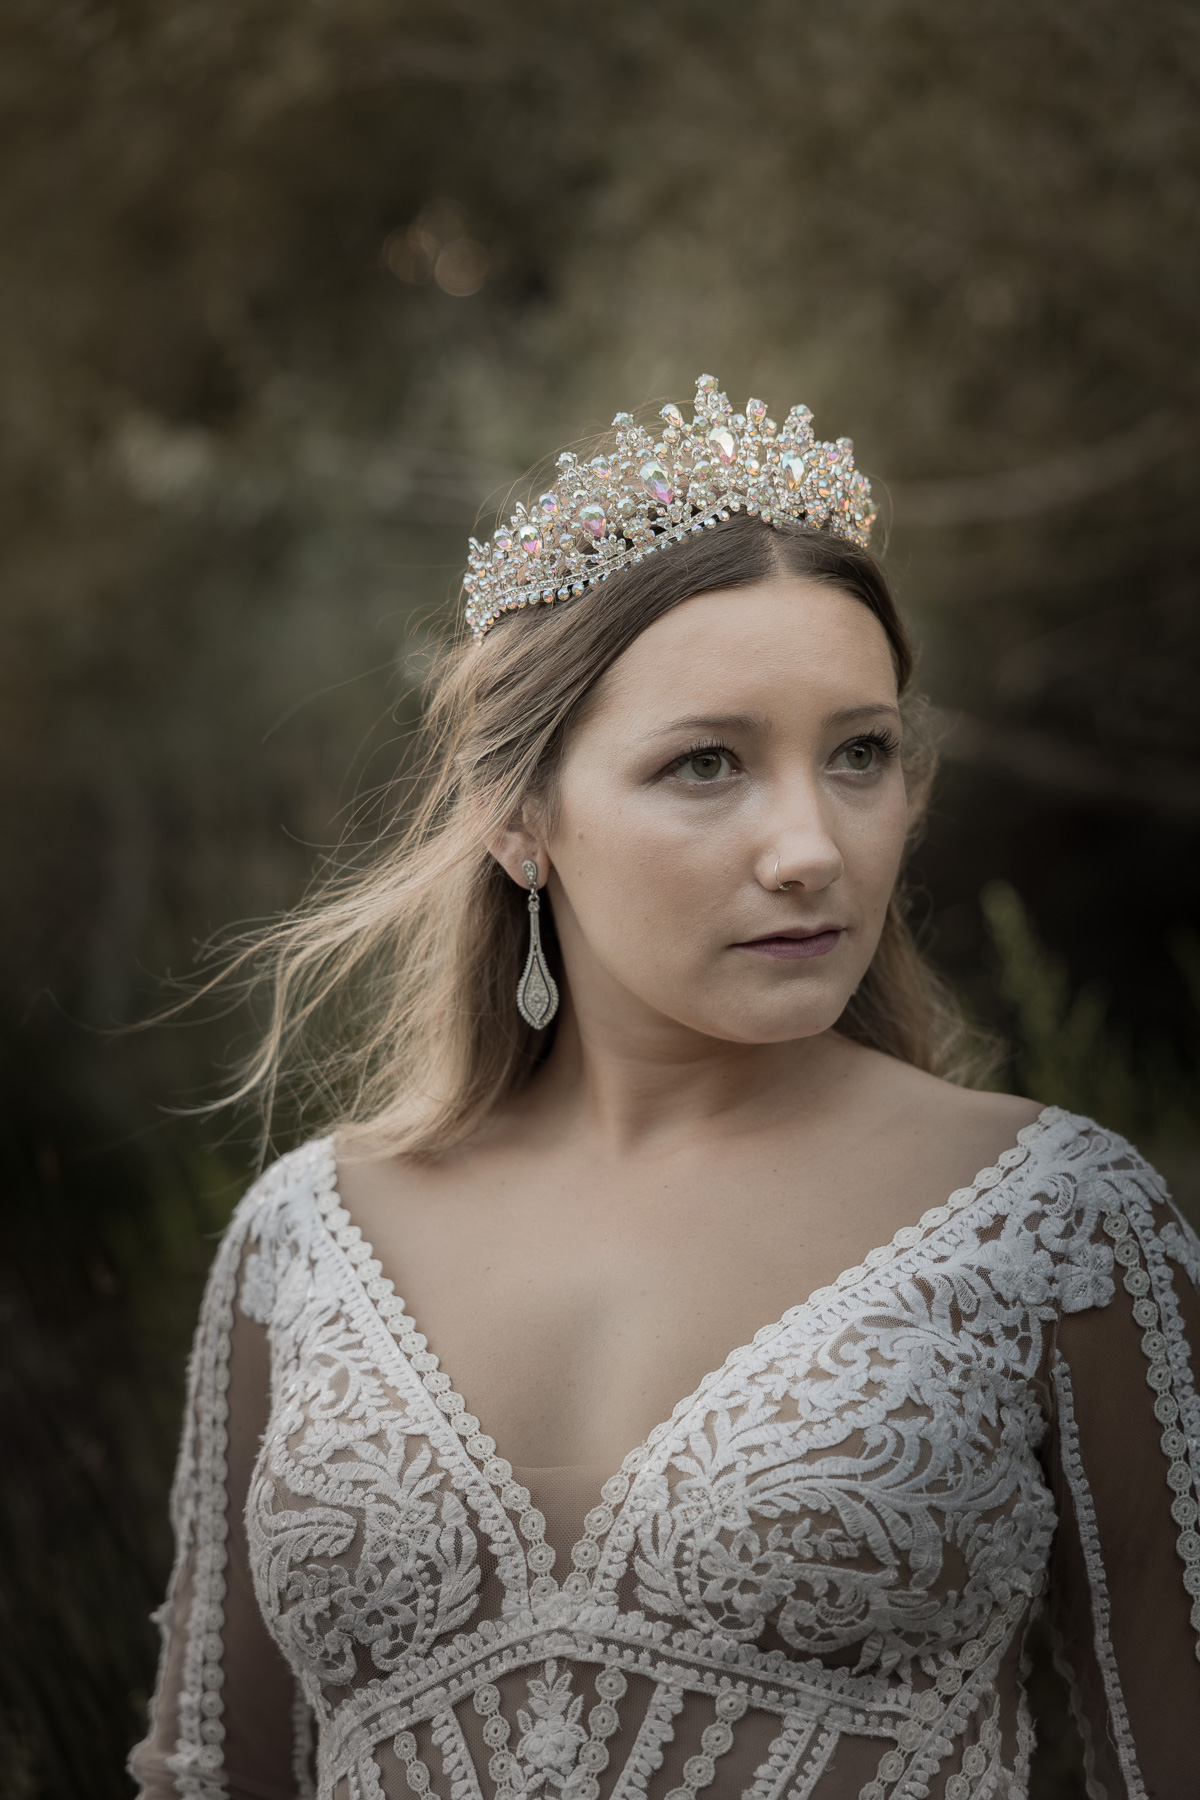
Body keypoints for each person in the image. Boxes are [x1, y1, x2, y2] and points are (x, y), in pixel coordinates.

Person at [130, 377, 1200, 1800]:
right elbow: (211, 1771)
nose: (812, 846)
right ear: (519, 819)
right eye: (708, 764)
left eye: (860, 755)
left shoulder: (1056, 1222)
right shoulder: (305, 1240)